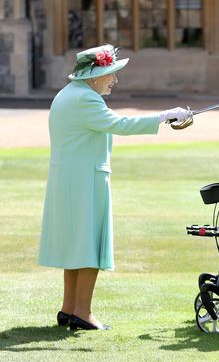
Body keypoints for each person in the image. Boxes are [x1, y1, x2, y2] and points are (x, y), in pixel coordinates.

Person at [38, 44, 190, 330]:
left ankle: (69, 308)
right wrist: (164, 116)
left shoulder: (67, 95)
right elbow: (120, 124)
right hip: (85, 181)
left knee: (76, 246)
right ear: (95, 75)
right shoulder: (86, 99)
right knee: (89, 246)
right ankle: (82, 312)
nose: (114, 80)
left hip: (69, 180)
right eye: (110, 74)